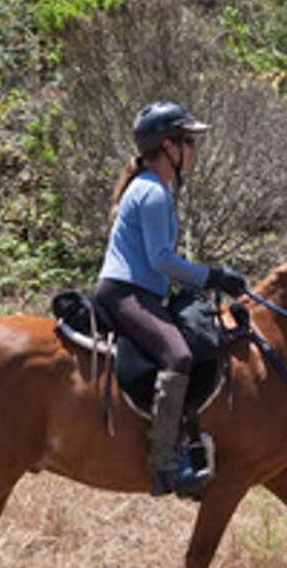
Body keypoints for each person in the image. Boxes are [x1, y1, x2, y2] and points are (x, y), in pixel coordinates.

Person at [95, 101, 247, 497]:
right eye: (188, 141)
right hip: (125, 292)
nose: (194, 150)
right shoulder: (152, 193)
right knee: (177, 356)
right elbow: (160, 259)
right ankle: (164, 463)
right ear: (167, 146)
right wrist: (213, 276)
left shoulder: (152, 188)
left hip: (139, 290)